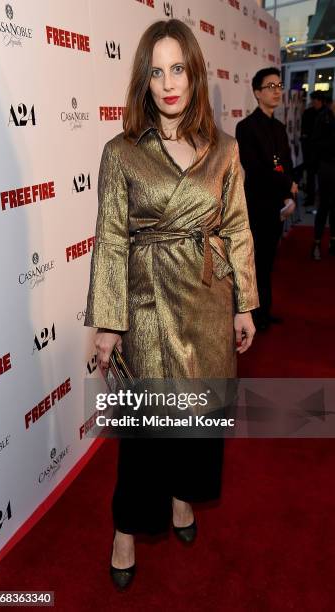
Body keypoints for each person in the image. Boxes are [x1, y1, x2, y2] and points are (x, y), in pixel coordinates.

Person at [85, 19, 259, 590]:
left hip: (209, 302)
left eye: (177, 68)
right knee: (145, 435)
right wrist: (108, 322)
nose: (167, 82)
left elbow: (236, 229)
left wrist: (244, 305)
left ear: (195, 72)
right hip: (148, 306)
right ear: (143, 79)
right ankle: (126, 530)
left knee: (200, 424)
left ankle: (185, 498)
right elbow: (110, 239)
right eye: (155, 71)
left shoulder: (225, 149)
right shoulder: (122, 152)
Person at [236, 67, 297, 331]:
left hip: (277, 205)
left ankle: (265, 311)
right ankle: (252, 314)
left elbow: (286, 163)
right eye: (270, 86)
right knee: (254, 262)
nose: (276, 91)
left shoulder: (280, 128)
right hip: (257, 205)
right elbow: (257, 168)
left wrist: (290, 191)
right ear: (257, 92)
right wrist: (285, 184)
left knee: (269, 259)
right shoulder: (246, 127)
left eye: (278, 85)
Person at [310, 100, 335, 260]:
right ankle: (317, 244)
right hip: (326, 167)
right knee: (324, 206)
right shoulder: (323, 117)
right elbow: (315, 142)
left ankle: (333, 242)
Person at [301, 91, 325, 211]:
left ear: (320, 100)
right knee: (310, 176)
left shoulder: (327, 114)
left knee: (322, 177)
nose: (313, 102)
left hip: (323, 153)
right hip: (310, 151)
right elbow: (304, 132)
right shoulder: (308, 113)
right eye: (312, 100)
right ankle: (310, 198)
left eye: (315, 100)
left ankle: (323, 199)